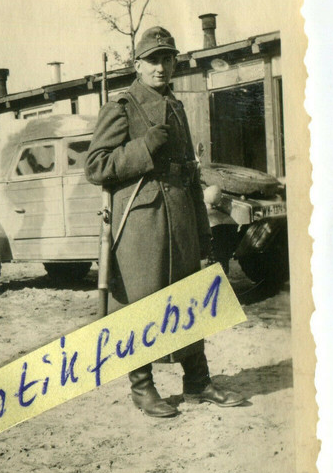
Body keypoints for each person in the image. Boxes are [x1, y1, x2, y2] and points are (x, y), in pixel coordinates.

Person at [85, 26, 244, 416]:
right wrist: (143, 147)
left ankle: (197, 382)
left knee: (189, 298)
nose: (161, 67)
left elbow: (188, 169)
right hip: (141, 221)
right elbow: (96, 166)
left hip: (181, 217)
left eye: (167, 59)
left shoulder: (176, 105)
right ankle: (142, 388)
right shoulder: (121, 106)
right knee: (142, 304)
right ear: (137, 65)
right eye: (153, 60)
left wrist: (202, 228)